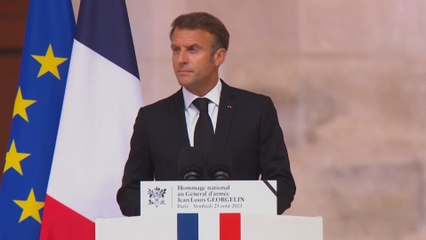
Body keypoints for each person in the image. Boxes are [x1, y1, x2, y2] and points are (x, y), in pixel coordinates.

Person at [117, 12, 296, 216]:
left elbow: (281, 186)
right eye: (176, 49)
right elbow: (130, 194)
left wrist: (239, 212)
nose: (181, 59)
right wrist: (168, 209)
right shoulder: (151, 119)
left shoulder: (256, 110)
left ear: (219, 56)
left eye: (193, 49)